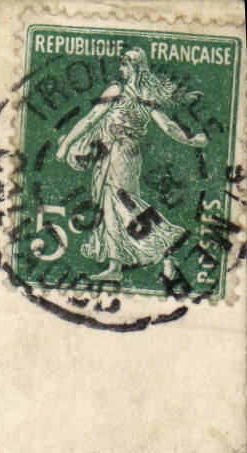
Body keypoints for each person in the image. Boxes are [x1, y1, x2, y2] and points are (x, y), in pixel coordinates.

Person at [55, 48, 208, 282]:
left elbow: (91, 119)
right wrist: (190, 140)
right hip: (121, 154)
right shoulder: (145, 95)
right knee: (113, 207)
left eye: (125, 65)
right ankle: (117, 266)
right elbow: (166, 126)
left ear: (136, 67)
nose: (121, 70)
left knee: (122, 206)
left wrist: (66, 145)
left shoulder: (121, 90)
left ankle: (165, 250)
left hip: (119, 153)